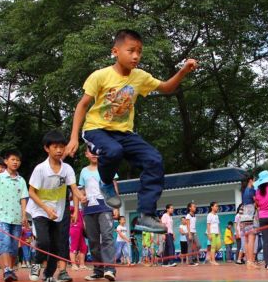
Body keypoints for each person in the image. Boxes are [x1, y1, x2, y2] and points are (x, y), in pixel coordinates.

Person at [64, 29, 197, 234]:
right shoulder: (100, 76)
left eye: (139, 52)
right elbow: (82, 105)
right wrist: (73, 137)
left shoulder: (140, 77)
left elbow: (166, 88)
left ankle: (146, 215)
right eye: (131, 51)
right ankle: (106, 183)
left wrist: (183, 71)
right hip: (96, 129)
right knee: (113, 151)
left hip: (124, 132)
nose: (136, 56)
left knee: (154, 160)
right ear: (115, 51)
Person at [27, 130, 86, 282]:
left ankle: (48, 276)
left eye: (62, 147)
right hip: (40, 210)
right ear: (47, 148)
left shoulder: (67, 169)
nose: (59, 150)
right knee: (44, 241)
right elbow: (31, 192)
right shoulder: (40, 169)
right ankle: (36, 262)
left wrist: (80, 197)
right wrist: (46, 209)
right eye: (55, 147)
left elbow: (74, 188)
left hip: (58, 211)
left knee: (56, 245)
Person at [78, 147, 119, 280]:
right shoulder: (83, 171)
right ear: (86, 154)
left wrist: (116, 206)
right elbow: (82, 190)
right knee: (93, 240)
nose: (94, 155)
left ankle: (110, 269)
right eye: (91, 152)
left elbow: (114, 186)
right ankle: (98, 270)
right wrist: (81, 199)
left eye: (96, 152)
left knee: (107, 236)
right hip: (89, 209)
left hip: (105, 207)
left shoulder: (108, 167)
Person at [0, 149, 29, 282]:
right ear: (6, 161)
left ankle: (11, 269)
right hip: (2, 217)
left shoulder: (21, 180)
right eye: (13, 159)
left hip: (16, 217)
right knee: (4, 242)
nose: (15, 162)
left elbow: (23, 199)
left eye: (17, 160)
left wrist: (24, 215)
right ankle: (6, 269)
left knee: (13, 245)